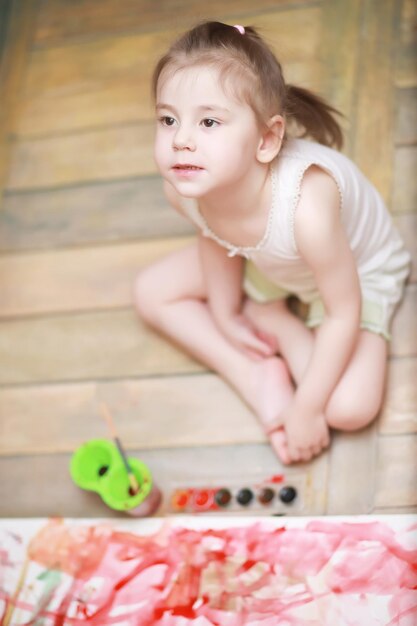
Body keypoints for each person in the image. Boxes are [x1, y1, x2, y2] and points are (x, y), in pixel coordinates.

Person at [134, 21, 411, 464]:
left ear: (267, 139)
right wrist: (225, 314)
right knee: (150, 293)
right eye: (168, 119)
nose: (181, 140)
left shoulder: (308, 210)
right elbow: (213, 236)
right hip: (268, 260)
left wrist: (307, 408)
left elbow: (344, 311)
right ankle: (257, 373)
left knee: (349, 408)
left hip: (353, 275)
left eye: (208, 121)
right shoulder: (183, 186)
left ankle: (275, 320)